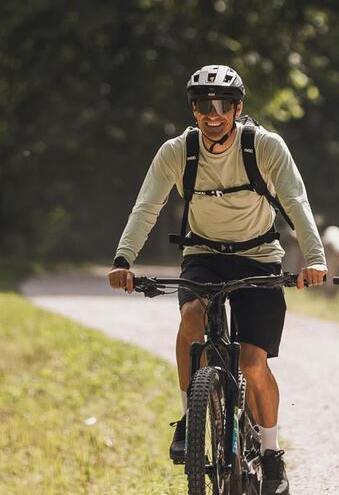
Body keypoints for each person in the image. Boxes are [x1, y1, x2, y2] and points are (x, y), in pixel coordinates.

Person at [107, 64, 327, 495]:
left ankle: (270, 453)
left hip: (259, 257)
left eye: (222, 105)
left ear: (237, 108)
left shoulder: (264, 147)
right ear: (193, 110)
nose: (213, 114)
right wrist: (123, 258)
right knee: (191, 314)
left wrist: (315, 259)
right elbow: (146, 207)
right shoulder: (177, 151)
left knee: (252, 363)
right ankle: (192, 413)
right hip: (203, 255)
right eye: (203, 105)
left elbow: (296, 202)